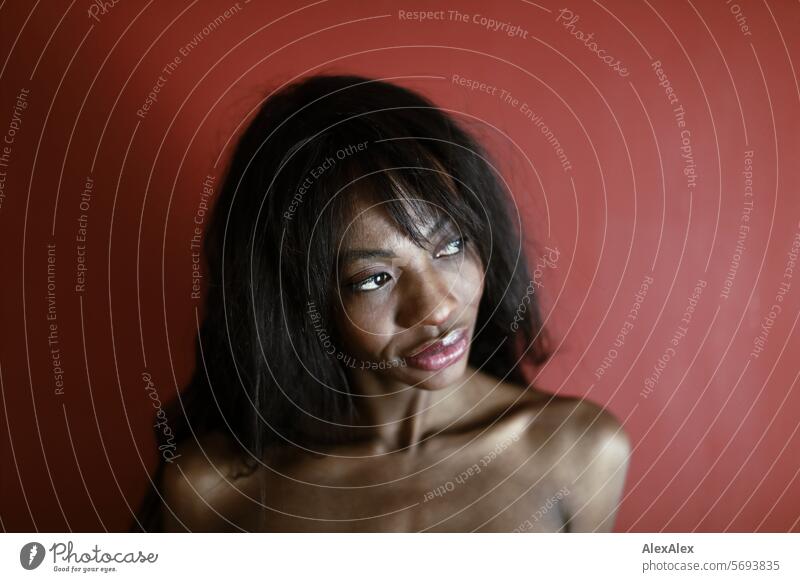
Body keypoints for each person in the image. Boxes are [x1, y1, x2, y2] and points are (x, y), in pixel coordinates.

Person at [132, 74, 630, 532]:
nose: (437, 309)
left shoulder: (578, 451)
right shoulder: (213, 492)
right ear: (295, 299)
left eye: (451, 246)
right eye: (374, 278)